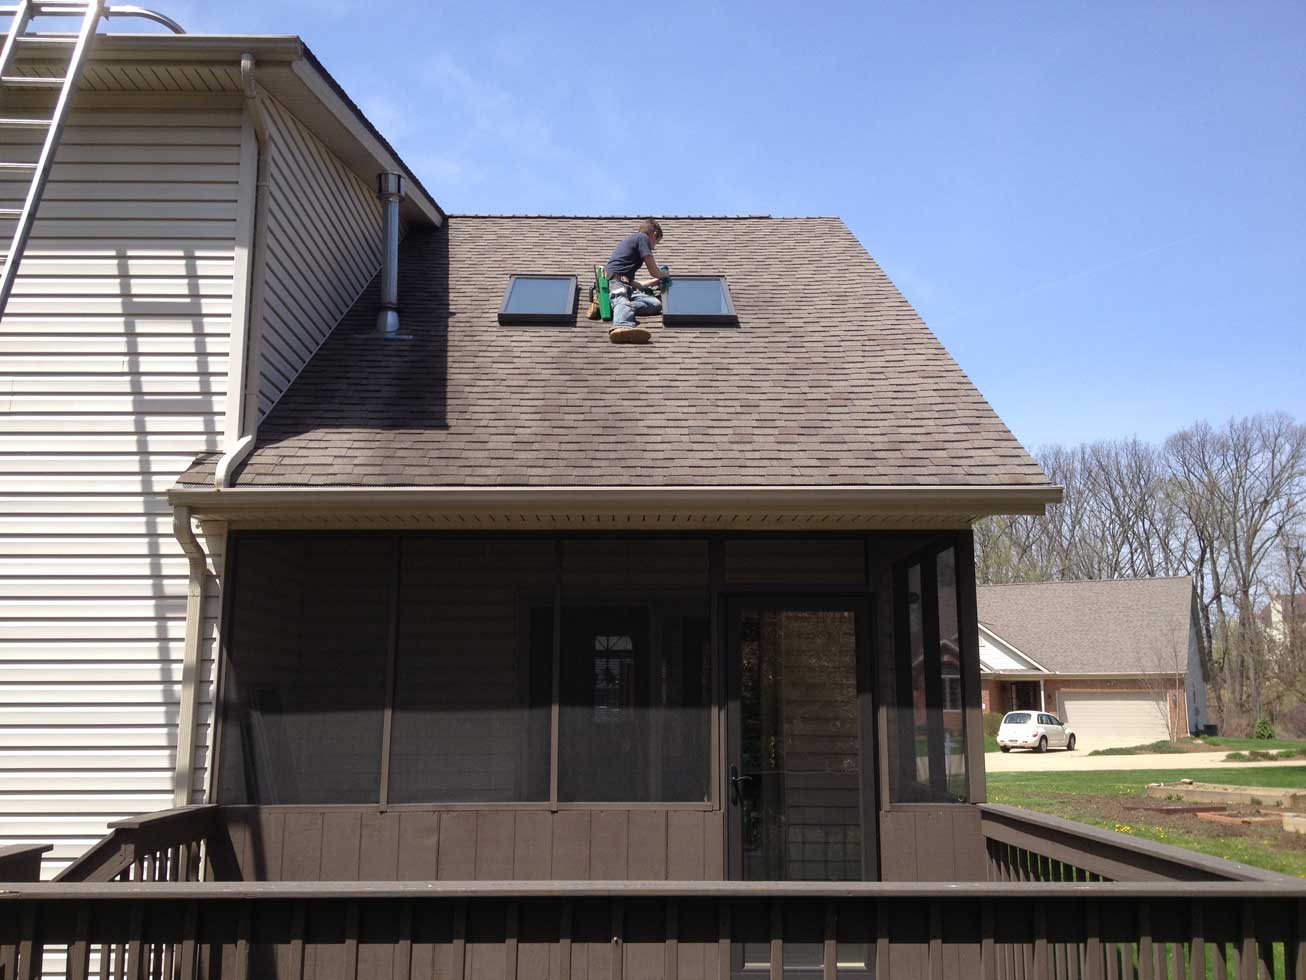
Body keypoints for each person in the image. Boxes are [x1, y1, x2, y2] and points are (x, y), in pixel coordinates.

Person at [604, 219, 665, 343]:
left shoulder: (634, 245)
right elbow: (654, 271)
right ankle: (622, 326)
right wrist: (665, 274)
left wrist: (654, 282)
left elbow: (636, 284)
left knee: (655, 304)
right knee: (622, 300)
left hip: (626, 286)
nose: (653, 248)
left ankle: (616, 306)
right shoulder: (642, 238)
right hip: (614, 282)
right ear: (653, 234)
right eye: (656, 243)